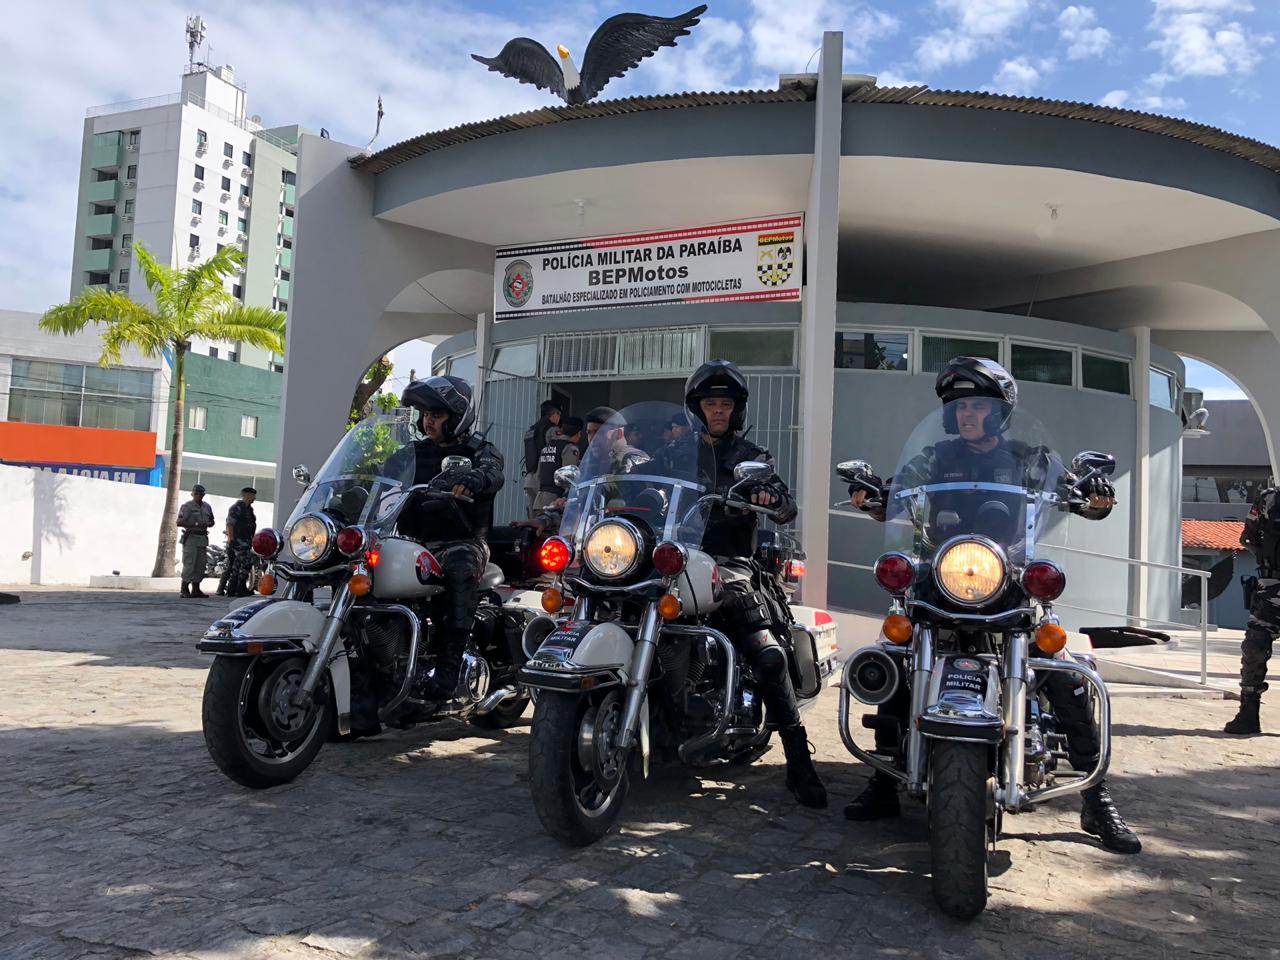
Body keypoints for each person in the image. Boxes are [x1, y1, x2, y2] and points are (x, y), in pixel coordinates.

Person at [845, 357, 1139, 853]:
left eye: (978, 406)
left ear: (1000, 413)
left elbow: (1076, 494)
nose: (967, 414)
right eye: (960, 407)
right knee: (899, 658)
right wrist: (871, 494)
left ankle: (1096, 797)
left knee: (1060, 671)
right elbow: (894, 495)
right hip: (942, 574)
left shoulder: (1031, 458)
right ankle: (885, 779)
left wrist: (1094, 494)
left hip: (1011, 576)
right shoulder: (934, 458)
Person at [653, 359, 827, 809]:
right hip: (669, 559)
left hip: (728, 564)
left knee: (767, 655)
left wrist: (771, 496)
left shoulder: (751, 457)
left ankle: (798, 760)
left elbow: (784, 506)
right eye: (710, 403)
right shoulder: (671, 454)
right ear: (696, 408)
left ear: (736, 410)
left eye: (725, 404)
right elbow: (634, 486)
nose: (718, 411)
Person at [387, 376, 505, 701]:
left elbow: (493, 472)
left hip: (462, 542)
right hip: (413, 544)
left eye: (436, 415)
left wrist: (475, 478)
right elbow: (379, 476)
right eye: (425, 414)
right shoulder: (412, 453)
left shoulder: (479, 450)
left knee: (459, 570)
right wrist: (354, 486)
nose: (428, 421)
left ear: (457, 417)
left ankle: (447, 671)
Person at [1226, 483, 1280, 734]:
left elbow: (1248, 538)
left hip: (1272, 586)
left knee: (1254, 648)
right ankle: (1248, 715)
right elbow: (1247, 537)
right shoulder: (1270, 499)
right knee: (1254, 648)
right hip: (1272, 588)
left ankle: (1248, 714)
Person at [533, 416, 583, 514]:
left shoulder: (547, 447)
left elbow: (538, 475)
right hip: (556, 502)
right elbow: (569, 479)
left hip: (539, 499)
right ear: (578, 433)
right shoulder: (569, 448)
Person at [522, 400, 562, 518]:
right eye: (559, 414)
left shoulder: (530, 430)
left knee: (532, 518)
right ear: (553, 414)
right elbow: (558, 451)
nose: (559, 417)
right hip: (543, 480)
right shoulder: (553, 430)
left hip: (529, 479)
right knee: (545, 517)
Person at [218, 487, 258, 597]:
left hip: (246, 541)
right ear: (246, 495)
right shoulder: (236, 508)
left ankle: (233, 588)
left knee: (237, 565)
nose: (254, 498)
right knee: (247, 562)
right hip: (238, 541)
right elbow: (230, 524)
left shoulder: (249, 509)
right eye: (252, 495)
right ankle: (240, 587)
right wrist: (231, 539)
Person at [177, 484, 215, 598]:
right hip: (191, 538)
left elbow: (212, 520)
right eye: (196, 493)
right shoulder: (187, 506)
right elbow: (179, 522)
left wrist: (208, 524)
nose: (198, 495)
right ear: (192, 494)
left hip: (202, 539)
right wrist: (197, 524)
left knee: (201, 565)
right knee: (189, 564)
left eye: (201, 494)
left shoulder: (207, 507)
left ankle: (196, 589)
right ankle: (184, 589)